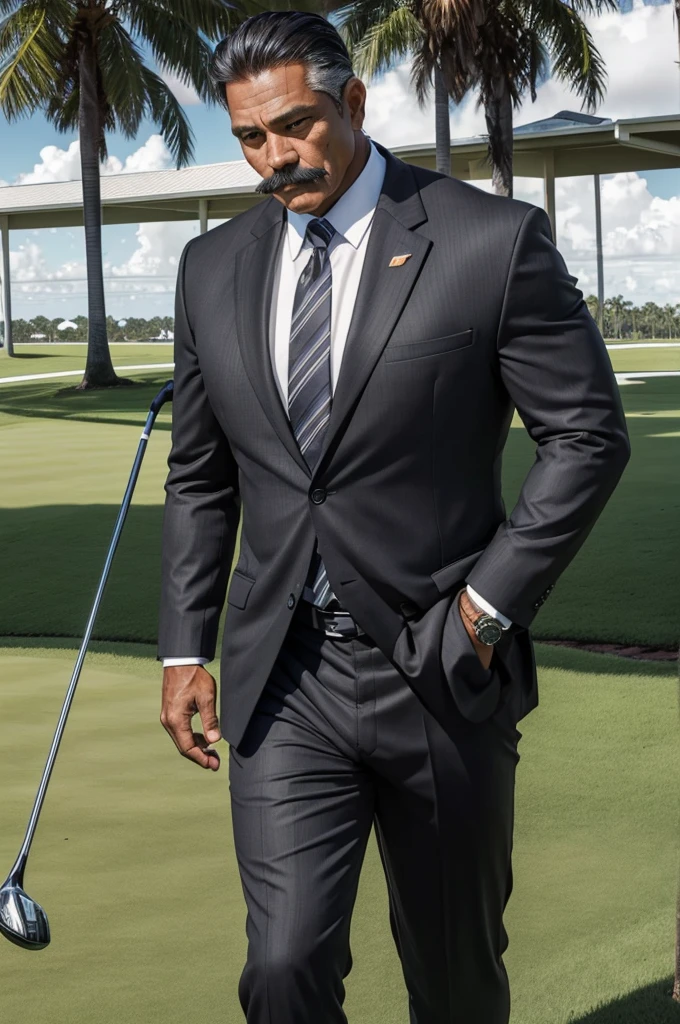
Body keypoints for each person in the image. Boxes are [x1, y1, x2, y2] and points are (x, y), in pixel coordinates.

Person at [156, 11, 630, 1023]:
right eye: (248, 137)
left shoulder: (489, 241)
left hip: (441, 667)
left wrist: (483, 612)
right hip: (283, 676)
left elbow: (586, 436)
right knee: (281, 968)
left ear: (352, 103)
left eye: (294, 125)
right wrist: (181, 650)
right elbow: (199, 475)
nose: (273, 157)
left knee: (454, 978)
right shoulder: (209, 268)